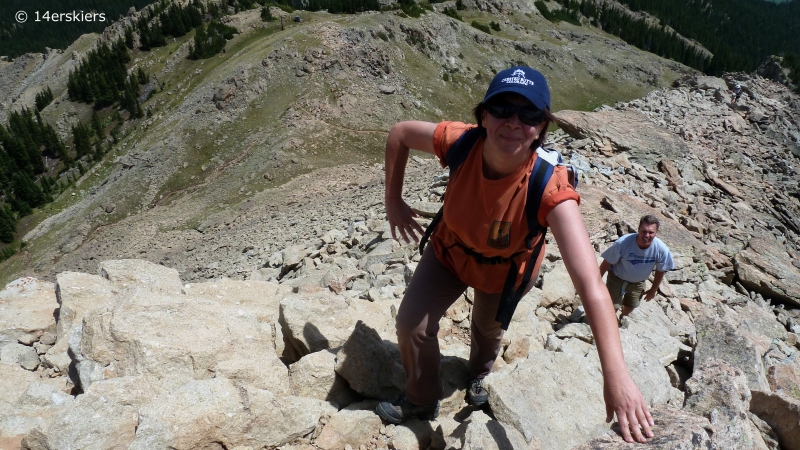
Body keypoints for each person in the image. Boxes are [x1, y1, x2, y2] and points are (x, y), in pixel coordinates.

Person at [376, 66, 654, 443]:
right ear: (484, 115)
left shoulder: (547, 184)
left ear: (542, 127)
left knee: (486, 330)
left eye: (529, 114)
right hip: (449, 251)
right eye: (503, 108)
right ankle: (421, 398)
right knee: (412, 325)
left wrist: (616, 374)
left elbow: (590, 283)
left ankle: (479, 373)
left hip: (505, 271)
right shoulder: (461, 142)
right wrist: (393, 200)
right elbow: (399, 134)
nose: (514, 122)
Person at [599, 215, 674, 320]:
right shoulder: (622, 244)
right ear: (638, 229)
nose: (647, 235)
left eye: (651, 232)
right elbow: (606, 263)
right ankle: (609, 324)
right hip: (616, 278)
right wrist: (597, 282)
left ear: (656, 233)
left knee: (631, 305)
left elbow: (661, 270)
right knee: (612, 307)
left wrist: (653, 289)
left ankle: (622, 317)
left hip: (638, 282)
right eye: (644, 231)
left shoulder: (661, 250)